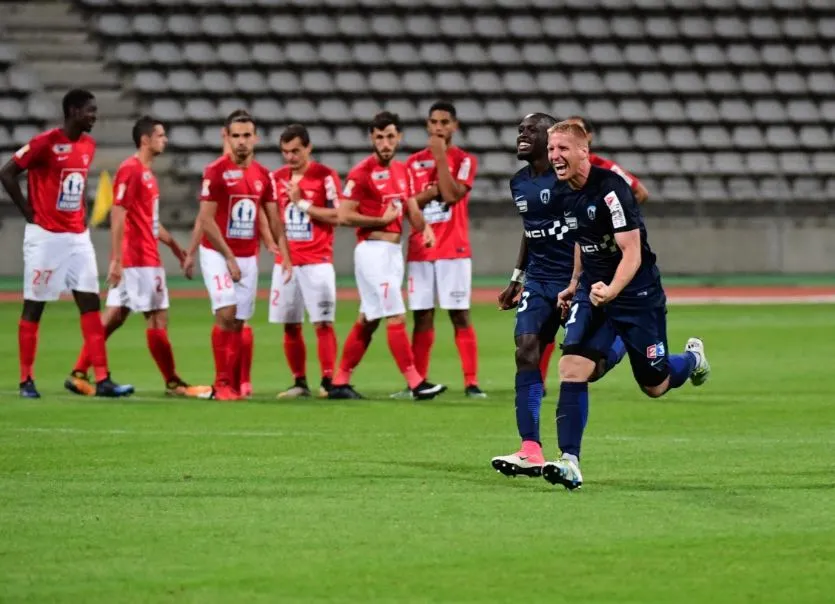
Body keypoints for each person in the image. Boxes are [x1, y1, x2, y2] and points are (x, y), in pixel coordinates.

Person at [541, 121, 710, 490]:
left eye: (562, 148)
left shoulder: (612, 189)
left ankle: (692, 359)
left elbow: (632, 252)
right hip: (593, 293)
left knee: (655, 385)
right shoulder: (560, 193)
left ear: (584, 151)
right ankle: (569, 461)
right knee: (573, 368)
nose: (554, 156)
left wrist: (614, 290)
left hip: (637, 296)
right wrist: (574, 284)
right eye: (551, 149)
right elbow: (582, 240)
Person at [491, 114, 628, 479]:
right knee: (526, 351)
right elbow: (531, 230)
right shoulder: (519, 182)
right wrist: (518, 277)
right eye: (520, 130)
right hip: (539, 280)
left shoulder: (575, 179)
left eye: (531, 130)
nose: (522, 135)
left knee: (587, 368)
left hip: (578, 280)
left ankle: (620, 342)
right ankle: (530, 449)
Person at [63, 116, 211, 398]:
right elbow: (118, 214)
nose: (165, 140)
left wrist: (174, 246)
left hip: (142, 256)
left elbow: (149, 221)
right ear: (145, 139)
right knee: (157, 318)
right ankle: (174, 383)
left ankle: (79, 372)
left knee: (115, 317)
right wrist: (117, 260)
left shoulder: (147, 174)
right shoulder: (130, 170)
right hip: (139, 259)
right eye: (160, 135)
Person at [0, 88, 133, 398]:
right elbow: (7, 173)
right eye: (90, 110)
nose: (94, 116)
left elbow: (77, 183)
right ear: (73, 111)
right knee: (35, 305)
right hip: (46, 237)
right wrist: (29, 212)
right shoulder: (44, 143)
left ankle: (102, 378)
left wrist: (82, 214)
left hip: (77, 238)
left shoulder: (88, 145)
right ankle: (26, 380)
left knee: (90, 303)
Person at [328, 111, 446, 401]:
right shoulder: (361, 172)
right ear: (372, 138)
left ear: (399, 137)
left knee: (369, 318)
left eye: (390, 136)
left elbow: (410, 207)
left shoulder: (402, 170)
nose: (385, 143)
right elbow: (343, 215)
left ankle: (340, 381)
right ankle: (416, 382)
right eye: (379, 137)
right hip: (371, 252)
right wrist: (379, 221)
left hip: (393, 253)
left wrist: (424, 228)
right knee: (395, 314)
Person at [182, 109, 291, 401]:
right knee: (226, 312)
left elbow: (273, 218)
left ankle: (233, 384)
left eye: (246, 135)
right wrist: (227, 256)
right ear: (227, 138)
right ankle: (221, 384)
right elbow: (206, 220)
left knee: (239, 322)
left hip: (248, 256)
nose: (241, 141)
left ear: (256, 138)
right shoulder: (215, 171)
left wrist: (283, 252)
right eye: (236, 136)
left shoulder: (264, 176)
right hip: (217, 252)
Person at [537, 115, 651, 388]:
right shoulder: (559, 177)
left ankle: (615, 341)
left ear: (586, 140)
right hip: (577, 254)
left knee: (650, 380)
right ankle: (540, 378)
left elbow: (640, 192)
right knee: (551, 314)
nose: (557, 152)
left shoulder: (607, 171)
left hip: (611, 255)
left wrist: (618, 220)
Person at [392, 101, 485, 399]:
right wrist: (430, 192)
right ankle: (418, 383)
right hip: (420, 249)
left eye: (445, 122)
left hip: (454, 250)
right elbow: (407, 204)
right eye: (434, 122)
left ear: (454, 126)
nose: (439, 127)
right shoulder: (411, 164)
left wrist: (441, 158)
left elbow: (451, 195)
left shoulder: (465, 160)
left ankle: (471, 382)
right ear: (427, 125)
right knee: (422, 316)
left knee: (459, 314)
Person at [269, 124, 341, 399]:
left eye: (296, 151)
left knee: (323, 322)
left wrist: (302, 203)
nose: (290, 157)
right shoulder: (276, 178)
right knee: (290, 324)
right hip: (286, 263)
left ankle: (327, 381)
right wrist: (280, 252)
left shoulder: (325, 176)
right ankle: (299, 382)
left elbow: (338, 215)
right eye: (285, 152)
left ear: (308, 148)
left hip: (317, 260)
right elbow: (275, 219)